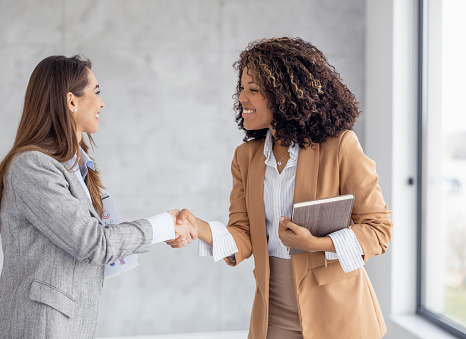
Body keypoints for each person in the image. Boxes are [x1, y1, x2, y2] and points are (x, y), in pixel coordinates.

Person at [168, 37, 392, 339]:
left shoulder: (340, 146)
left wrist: (317, 244)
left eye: (254, 89)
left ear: (285, 95)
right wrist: (199, 227)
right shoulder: (245, 157)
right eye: (241, 88)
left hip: (339, 313)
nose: (242, 98)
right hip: (272, 311)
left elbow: (378, 229)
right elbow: (244, 236)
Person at [0, 55, 196, 339]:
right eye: (96, 92)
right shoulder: (32, 166)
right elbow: (92, 242)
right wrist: (163, 225)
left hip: (70, 325)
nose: (101, 103)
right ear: (71, 101)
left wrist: (165, 230)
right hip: (40, 328)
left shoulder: (78, 167)